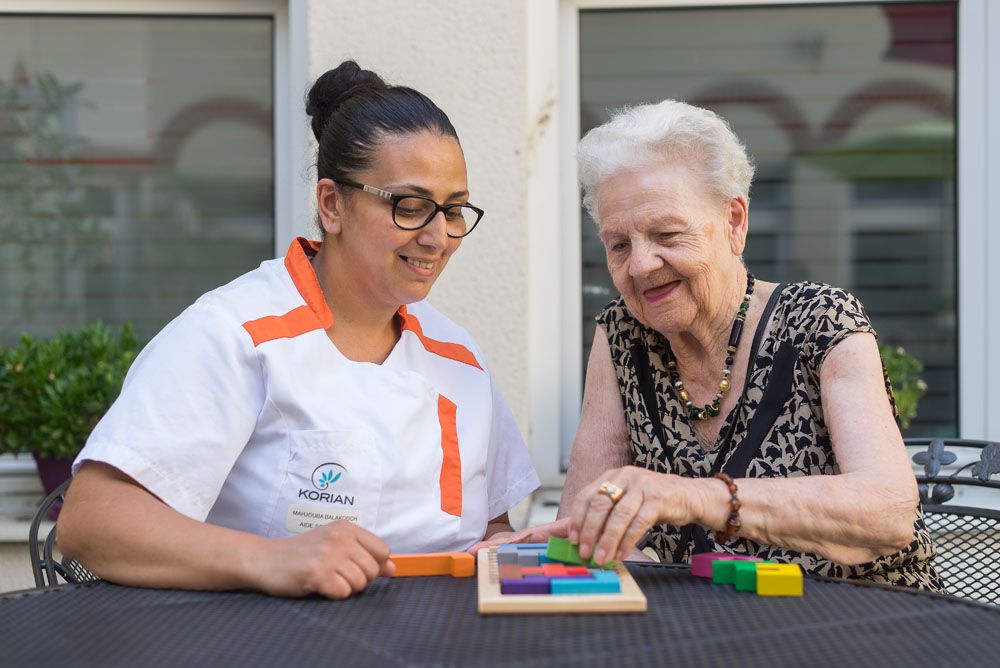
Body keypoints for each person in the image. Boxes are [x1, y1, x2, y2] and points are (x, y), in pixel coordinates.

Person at [58, 61, 539, 600]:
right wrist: (269, 559)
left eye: (453, 211)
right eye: (410, 206)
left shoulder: (458, 356)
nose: (438, 237)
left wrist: (507, 548)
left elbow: (492, 527)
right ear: (332, 204)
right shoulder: (236, 334)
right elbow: (91, 522)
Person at [483, 100, 940, 590]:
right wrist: (552, 547)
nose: (639, 265)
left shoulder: (822, 321)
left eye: (666, 233)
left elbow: (887, 512)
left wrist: (696, 497)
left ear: (734, 221)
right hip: (712, 631)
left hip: (867, 623)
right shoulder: (622, 333)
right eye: (619, 244)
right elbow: (586, 517)